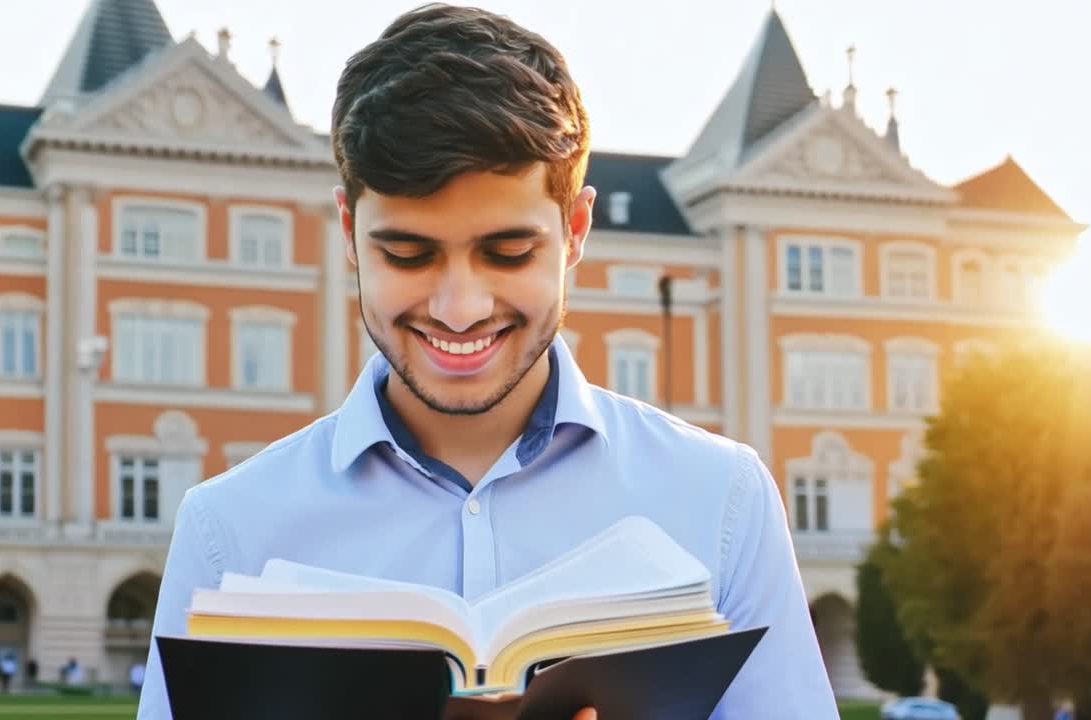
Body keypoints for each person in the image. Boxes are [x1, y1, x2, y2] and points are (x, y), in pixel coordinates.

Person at [135, 4, 836, 719]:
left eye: (508, 252)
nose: (459, 309)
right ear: (348, 231)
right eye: (407, 254)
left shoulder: (723, 499)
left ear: (576, 229)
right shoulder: (227, 529)